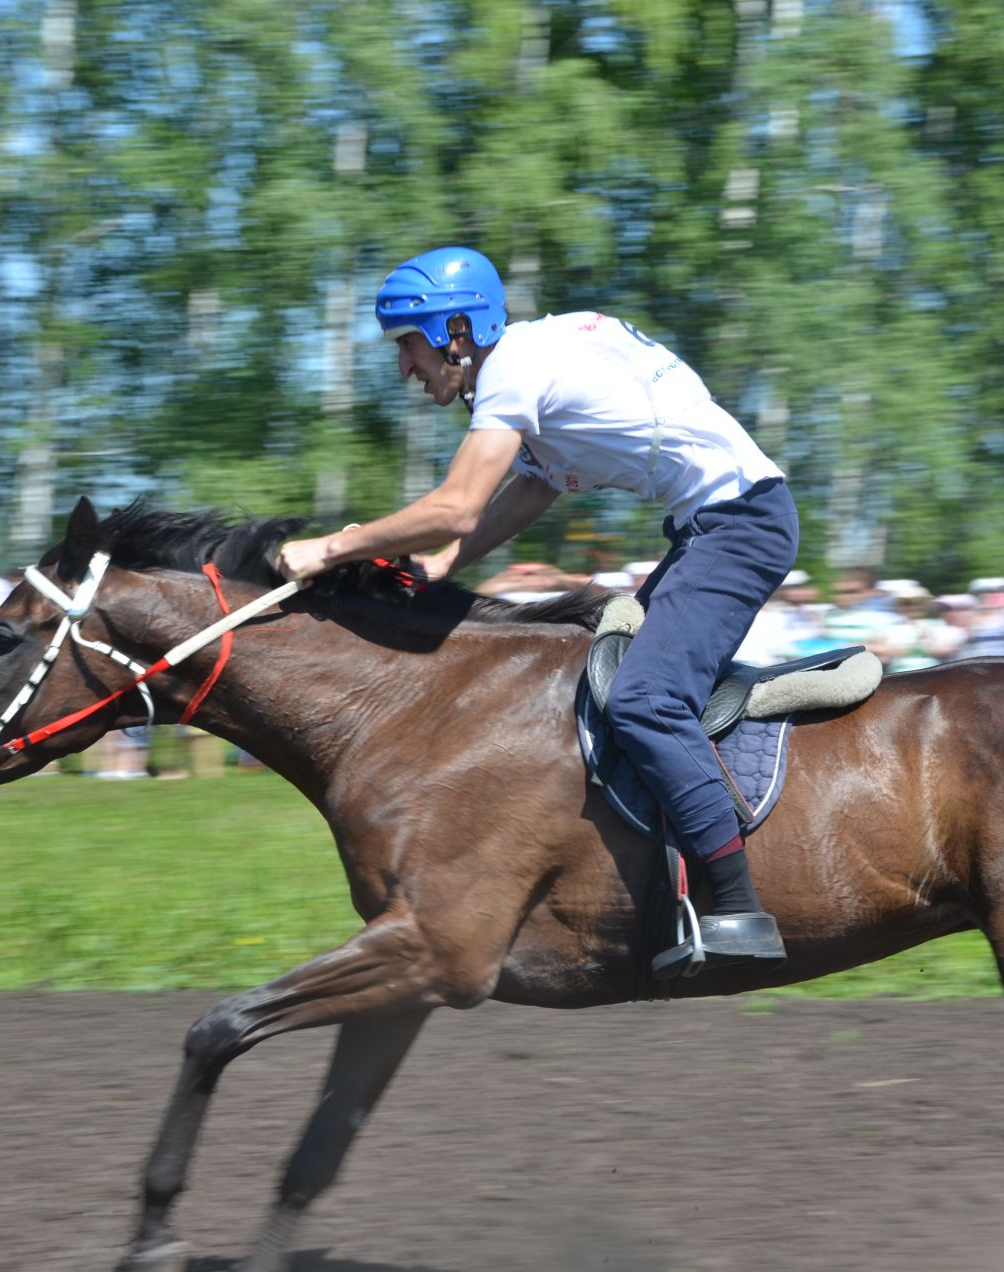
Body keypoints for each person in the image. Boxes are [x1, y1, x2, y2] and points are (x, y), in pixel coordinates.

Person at [274, 246, 795, 964]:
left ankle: (739, 909)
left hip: (740, 527)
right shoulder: (538, 351)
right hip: (715, 525)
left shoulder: (511, 373)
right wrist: (444, 565)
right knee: (597, 680)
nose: (405, 369)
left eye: (410, 346)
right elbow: (534, 486)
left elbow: (457, 506)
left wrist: (333, 548)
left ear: (458, 331)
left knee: (643, 699)